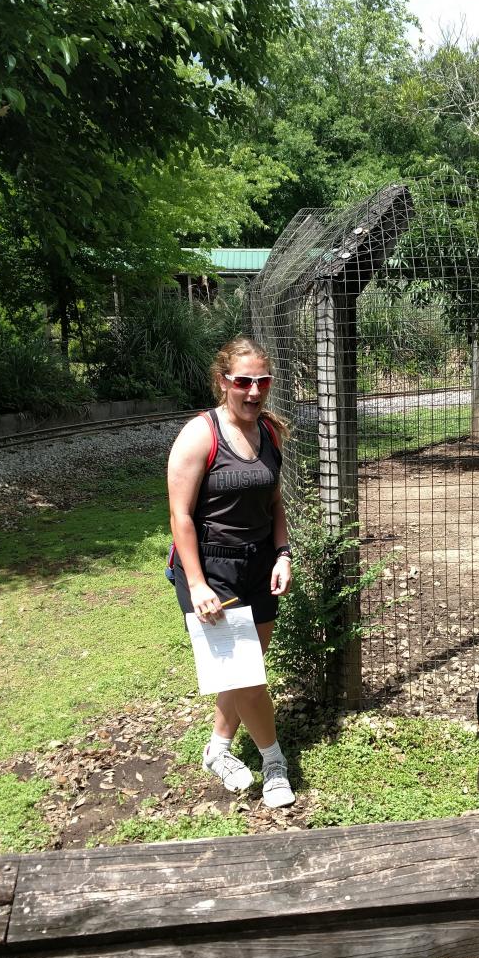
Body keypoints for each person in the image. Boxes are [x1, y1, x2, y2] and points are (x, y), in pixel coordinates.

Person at [167, 337, 295, 807]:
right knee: (248, 678)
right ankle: (274, 761)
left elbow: (275, 502)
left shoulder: (270, 432)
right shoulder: (201, 434)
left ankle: (218, 749)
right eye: (243, 381)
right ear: (223, 381)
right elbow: (180, 515)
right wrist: (197, 584)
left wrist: (282, 553)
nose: (253, 390)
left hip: (260, 564)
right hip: (210, 570)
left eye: (262, 381)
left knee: (244, 673)